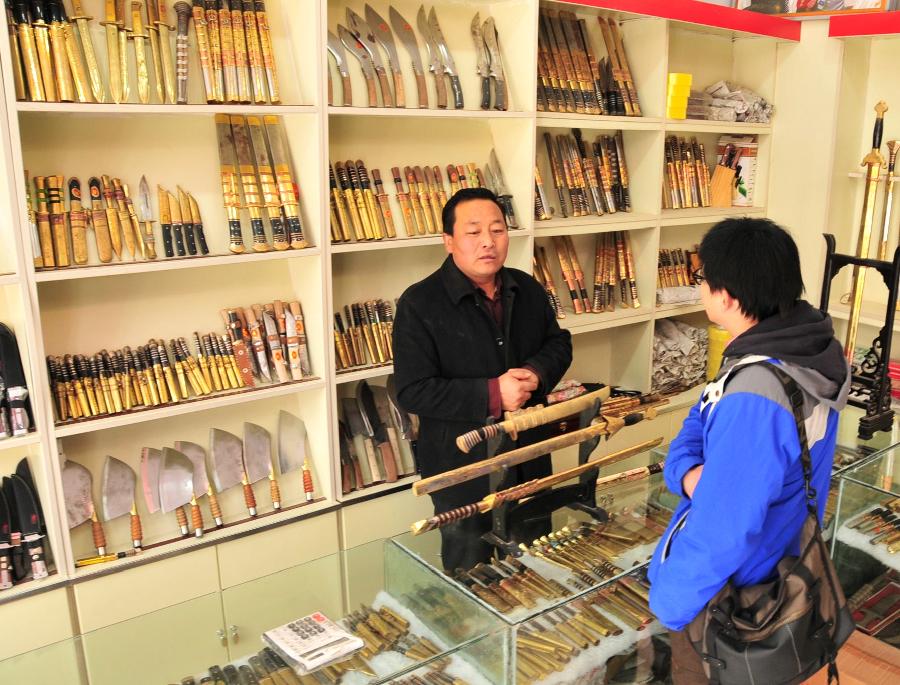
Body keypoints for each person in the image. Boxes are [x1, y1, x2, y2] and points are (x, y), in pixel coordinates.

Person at [646, 218, 850, 683]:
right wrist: (685, 471)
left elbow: (725, 530)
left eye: (702, 279)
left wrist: (670, 601)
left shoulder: (754, 395)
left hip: (737, 599)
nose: (699, 288)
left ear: (728, 297)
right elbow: (699, 419)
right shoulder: (806, 349)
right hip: (784, 560)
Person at [392, 188, 572, 571]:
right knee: (471, 572)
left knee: (535, 563)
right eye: (473, 232)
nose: (488, 242)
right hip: (462, 470)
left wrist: (536, 374)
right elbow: (412, 390)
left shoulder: (527, 288)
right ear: (448, 241)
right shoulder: (419, 304)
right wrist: (494, 394)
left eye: (497, 230)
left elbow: (559, 343)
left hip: (529, 457)